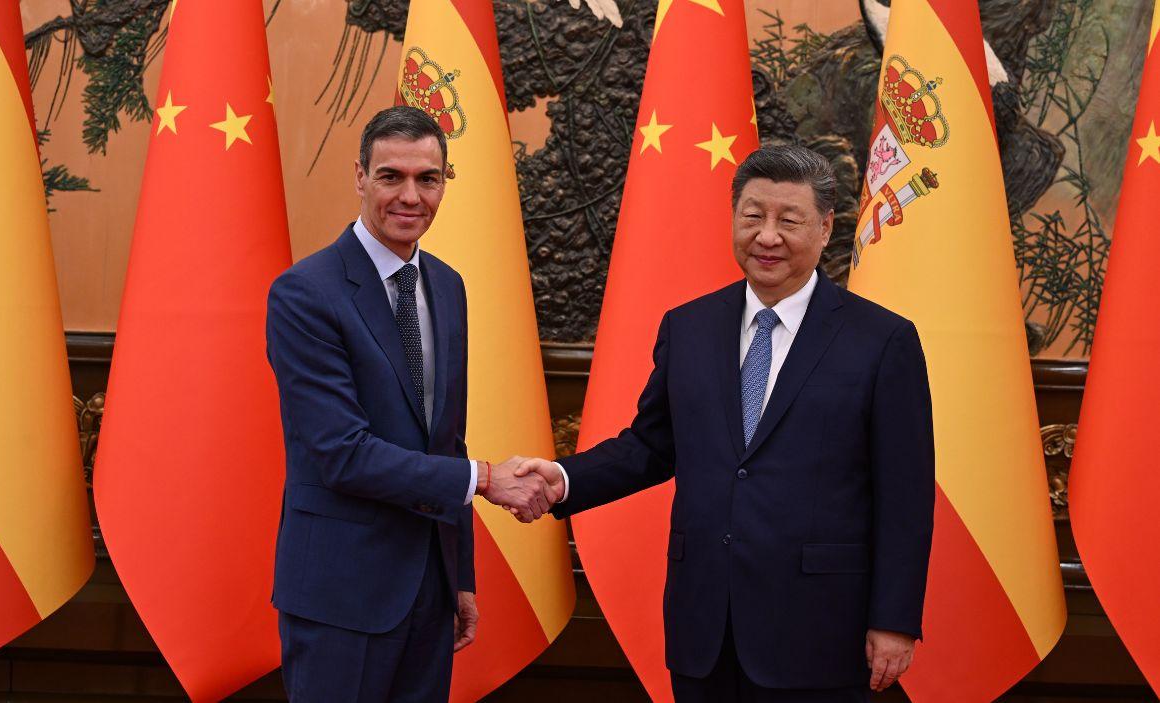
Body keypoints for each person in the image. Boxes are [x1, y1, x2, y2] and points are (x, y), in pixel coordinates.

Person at [520, 145, 936, 701]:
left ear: (826, 227)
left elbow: (905, 495)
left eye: (788, 220)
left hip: (820, 632)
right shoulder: (689, 327)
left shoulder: (883, 341)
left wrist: (894, 619)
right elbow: (650, 446)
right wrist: (563, 479)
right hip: (704, 628)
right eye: (752, 216)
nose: (767, 236)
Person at [265, 106, 558, 702]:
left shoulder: (447, 286)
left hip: (429, 591)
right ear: (360, 177)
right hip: (340, 593)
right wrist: (484, 481)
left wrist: (460, 577)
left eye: (428, 179)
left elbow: (446, 440)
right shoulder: (305, 293)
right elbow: (341, 454)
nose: (410, 196)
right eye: (391, 176)